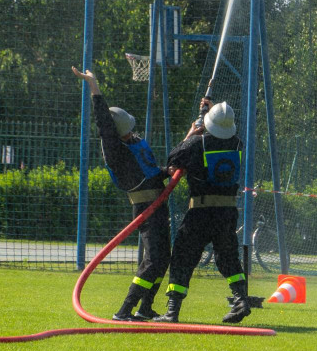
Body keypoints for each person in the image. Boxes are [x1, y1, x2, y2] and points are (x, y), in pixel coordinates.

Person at [72, 66, 170, 322]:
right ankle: (124, 310)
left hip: (157, 205)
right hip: (147, 208)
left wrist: (166, 171)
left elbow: (149, 170)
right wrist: (94, 86)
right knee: (153, 260)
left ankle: (145, 308)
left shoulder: (131, 142)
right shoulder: (115, 148)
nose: (131, 132)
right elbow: (104, 122)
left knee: (162, 258)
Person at [154, 99, 250, 324]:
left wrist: (191, 133)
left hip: (201, 212)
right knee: (228, 257)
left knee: (182, 258)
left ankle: (172, 311)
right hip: (227, 212)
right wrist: (213, 113)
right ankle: (241, 300)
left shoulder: (197, 143)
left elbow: (173, 160)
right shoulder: (237, 144)